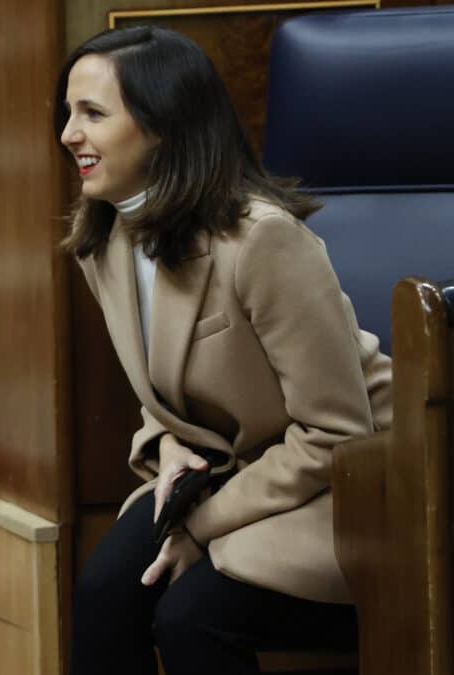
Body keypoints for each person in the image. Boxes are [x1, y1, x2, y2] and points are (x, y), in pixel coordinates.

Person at [58, 26, 392, 674]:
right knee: (104, 594)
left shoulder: (263, 241)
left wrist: (201, 525)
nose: (69, 133)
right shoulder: (104, 236)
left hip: (354, 478)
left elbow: (336, 430)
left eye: (92, 113)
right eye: (68, 112)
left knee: (190, 614)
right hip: (227, 466)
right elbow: (166, 390)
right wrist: (166, 442)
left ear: (161, 127)